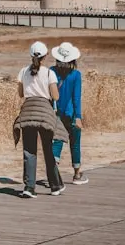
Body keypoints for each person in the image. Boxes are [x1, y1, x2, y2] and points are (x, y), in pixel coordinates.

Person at [13, 41, 65, 198]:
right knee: (48, 150)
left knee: (29, 150)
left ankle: (29, 187)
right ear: (45, 56)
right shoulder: (49, 73)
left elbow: (21, 94)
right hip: (44, 113)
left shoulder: (23, 72)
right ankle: (55, 186)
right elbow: (55, 96)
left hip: (28, 111)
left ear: (31, 55)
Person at [51, 42, 88, 185]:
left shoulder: (52, 71)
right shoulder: (76, 75)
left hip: (56, 114)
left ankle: (53, 175)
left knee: (57, 142)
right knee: (75, 143)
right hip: (71, 114)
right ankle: (77, 175)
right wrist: (78, 116)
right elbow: (76, 98)